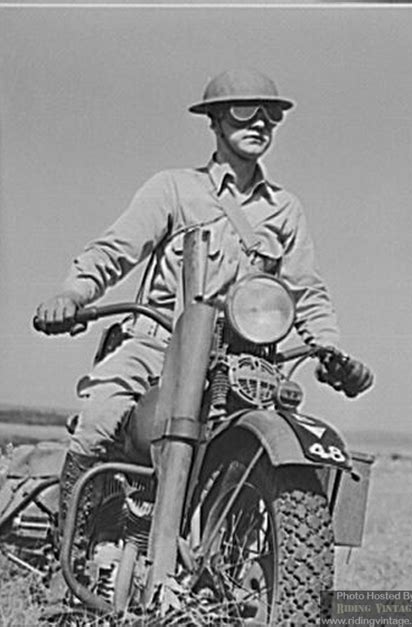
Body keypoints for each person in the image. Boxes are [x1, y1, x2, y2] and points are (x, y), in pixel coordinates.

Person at [34, 68, 373, 528]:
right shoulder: (174, 189)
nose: (260, 123)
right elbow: (116, 252)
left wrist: (330, 348)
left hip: (242, 364)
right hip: (158, 346)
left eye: (270, 114)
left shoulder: (284, 209)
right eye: (243, 111)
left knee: (281, 451)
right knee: (99, 417)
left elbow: (305, 290)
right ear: (214, 121)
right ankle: (69, 548)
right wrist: (72, 293)